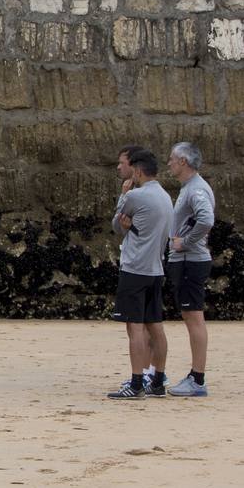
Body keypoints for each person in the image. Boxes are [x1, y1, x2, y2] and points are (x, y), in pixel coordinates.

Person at [108, 148, 172, 400]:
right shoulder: (166, 196)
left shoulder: (136, 195)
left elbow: (116, 224)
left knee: (134, 327)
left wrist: (123, 196)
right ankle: (157, 380)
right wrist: (131, 226)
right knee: (155, 326)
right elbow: (142, 228)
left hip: (135, 268)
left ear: (137, 171)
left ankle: (136, 382)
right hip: (156, 268)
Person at [164, 142, 214, 397]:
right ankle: (196, 377)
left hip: (190, 261)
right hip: (188, 260)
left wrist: (186, 242)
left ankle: (197, 379)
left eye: (172, 159)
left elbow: (206, 219)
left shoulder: (195, 189)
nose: (169, 163)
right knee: (191, 316)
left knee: (193, 317)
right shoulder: (190, 188)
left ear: (183, 161)